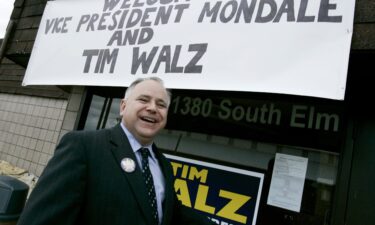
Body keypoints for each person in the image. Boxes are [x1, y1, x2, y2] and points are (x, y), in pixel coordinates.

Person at [17, 77, 214, 225]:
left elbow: (173, 212)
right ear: (123, 106)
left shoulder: (163, 164)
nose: (153, 108)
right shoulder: (83, 147)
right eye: (144, 99)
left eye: (161, 104)